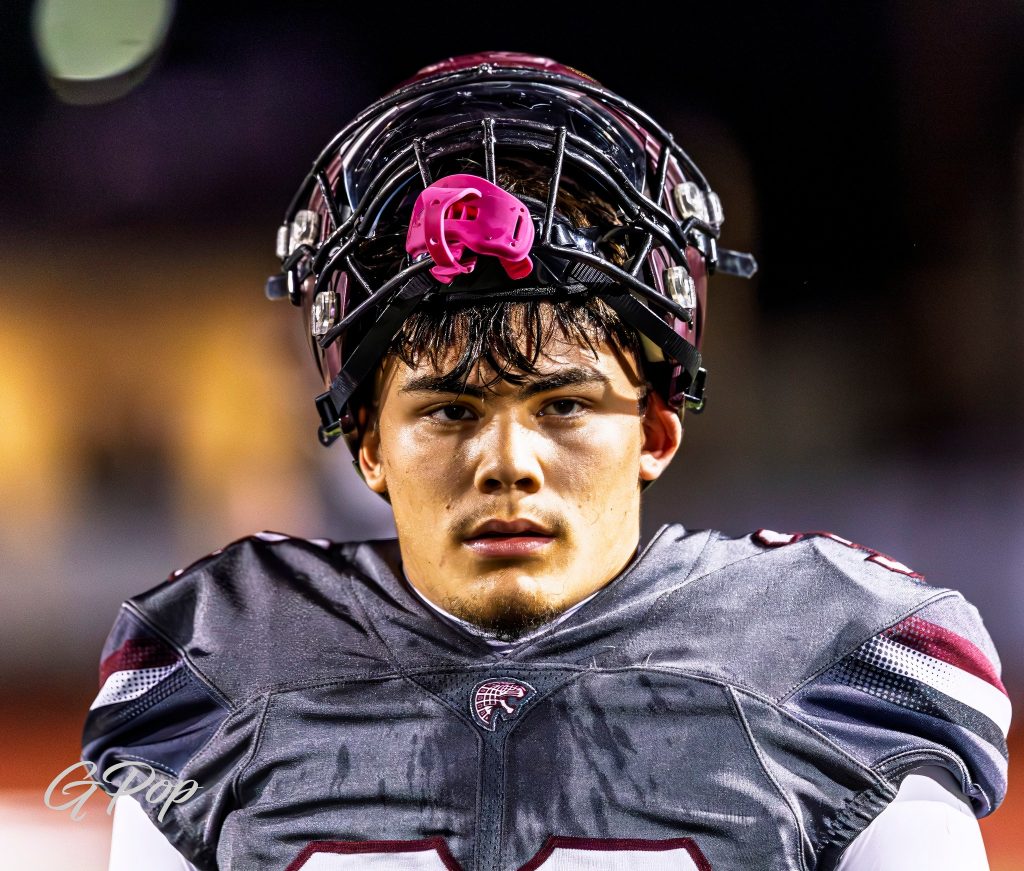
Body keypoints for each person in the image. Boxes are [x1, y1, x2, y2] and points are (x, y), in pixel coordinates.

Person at [83, 52, 1009, 870]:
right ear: (368, 444)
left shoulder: (832, 659)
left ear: (656, 429)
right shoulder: (224, 661)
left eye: (563, 405)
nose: (508, 463)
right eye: (450, 411)